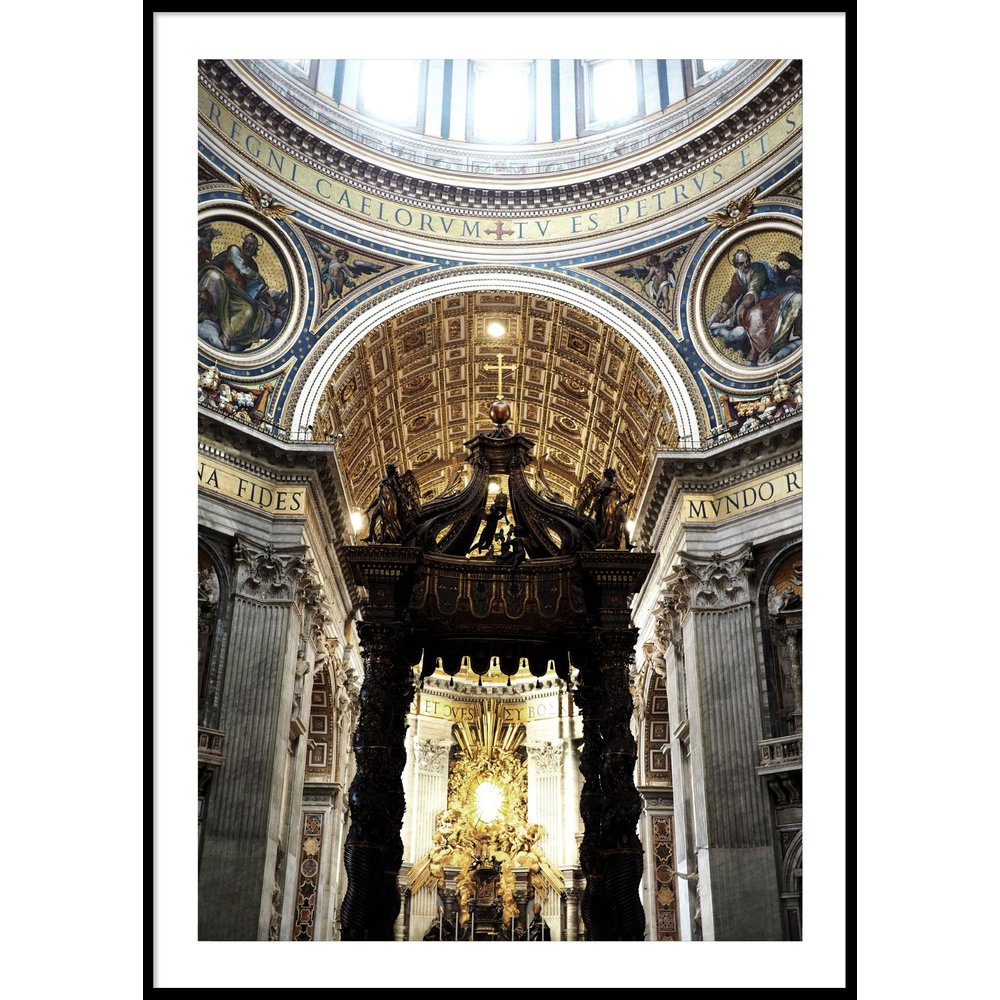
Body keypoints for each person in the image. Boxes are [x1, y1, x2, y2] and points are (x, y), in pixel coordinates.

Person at [709, 247, 802, 365]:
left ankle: (773, 347)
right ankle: (761, 350)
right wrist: (723, 310)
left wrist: (744, 304)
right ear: (736, 265)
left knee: (755, 315)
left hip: (774, 297)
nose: (746, 265)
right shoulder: (737, 276)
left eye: (747, 261)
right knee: (752, 316)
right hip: (758, 302)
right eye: (742, 263)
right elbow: (731, 295)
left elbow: (755, 287)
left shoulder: (758, 268)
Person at [198, 232, 284, 351]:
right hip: (225, 284)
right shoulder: (234, 250)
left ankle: (227, 336)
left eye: (252, 245)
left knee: (248, 310)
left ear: (255, 248)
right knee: (214, 277)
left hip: (238, 294)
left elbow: (255, 287)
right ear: (243, 243)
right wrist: (257, 276)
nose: (248, 246)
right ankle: (213, 314)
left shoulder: (253, 265)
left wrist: (267, 298)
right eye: (247, 243)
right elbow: (242, 269)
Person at [363, 463, 406, 543]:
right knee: (373, 516)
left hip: (391, 501)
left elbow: (398, 489)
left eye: (388, 469)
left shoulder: (393, 478)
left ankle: (398, 535)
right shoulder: (382, 483)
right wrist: (369, 508)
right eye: (387, 469)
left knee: (391, 518)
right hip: (381, 502)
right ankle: (370, 536)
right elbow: (378, 497)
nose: (387, 470)